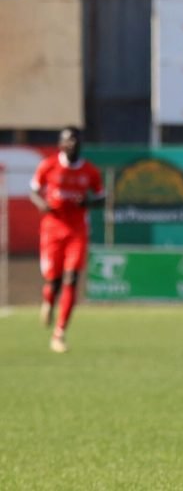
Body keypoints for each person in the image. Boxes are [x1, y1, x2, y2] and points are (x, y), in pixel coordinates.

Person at [29, 127, 105, 353]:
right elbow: (33, 191)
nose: (72, 144)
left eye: (75, 140)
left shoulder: (90, 171)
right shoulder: (48, 165)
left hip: (77, 231)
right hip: (52, 230)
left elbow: (102, 197)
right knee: (54, 281)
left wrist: (87, 203)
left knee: (71, 279)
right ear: (60, 144)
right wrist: (42, 204)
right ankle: (48, 301)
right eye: (68, 140)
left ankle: (59, 333)